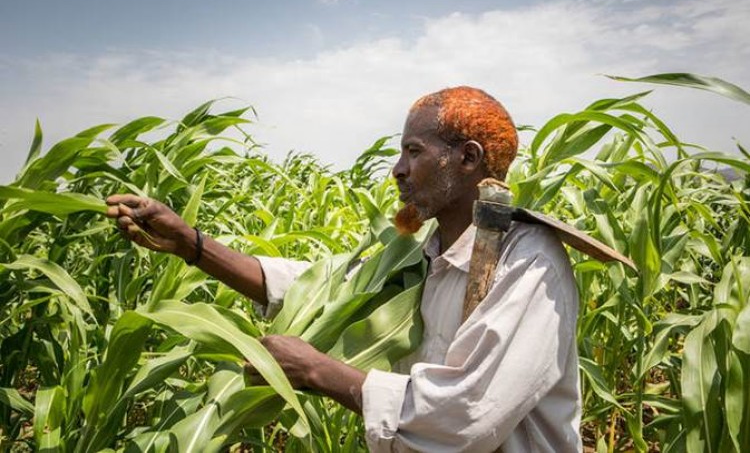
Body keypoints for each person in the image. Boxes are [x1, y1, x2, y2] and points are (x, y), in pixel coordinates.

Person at [107, 86, 582, 452]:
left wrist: (318, 371)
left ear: (468, 158)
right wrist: (190, 244)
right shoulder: (420, 254)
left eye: (413, 152)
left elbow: (470, 415)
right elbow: (316, 287)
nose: (397, 169)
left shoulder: (529, 263)